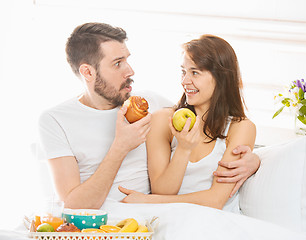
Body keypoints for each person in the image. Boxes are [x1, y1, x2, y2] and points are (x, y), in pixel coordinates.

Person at [37, 22, 260, 210]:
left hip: (148, 215)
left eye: (127, 59)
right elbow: (72, 205)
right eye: (117, 63)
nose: (130, 71)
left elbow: (212, 125)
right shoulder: (55, 120)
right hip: (103, 218)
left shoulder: (150, 104)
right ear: (87, 72)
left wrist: (255, 160)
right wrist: (120, 147)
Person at [119, 35, 256, 213]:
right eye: (183, 72)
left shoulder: (241, 127)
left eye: (195, 72)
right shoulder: (163, 119)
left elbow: (215, 200)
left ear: (221, 78)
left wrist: (148, 201)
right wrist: (183, 149)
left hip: (215, 222)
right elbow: (162, 190)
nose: (185, 81)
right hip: (169, 218)